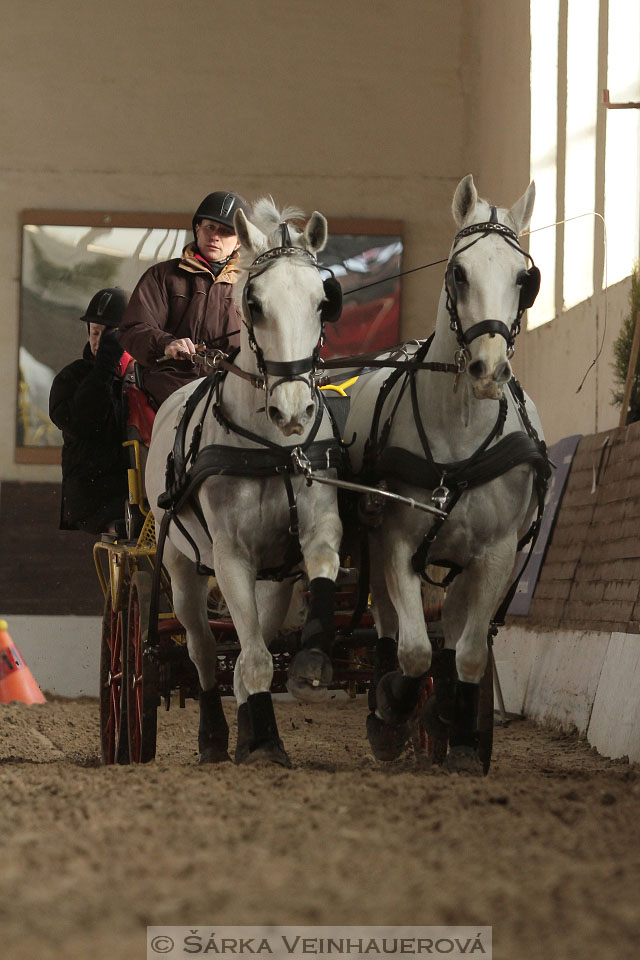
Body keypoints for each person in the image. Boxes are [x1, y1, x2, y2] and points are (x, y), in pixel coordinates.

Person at [118, 190, 249, 409]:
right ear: (197, 228)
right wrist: (166, 344)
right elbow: (133, 327)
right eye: (210, 227)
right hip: (171, 386)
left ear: (238, 243)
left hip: (234, 388)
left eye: (226, 232)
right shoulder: (162, 275)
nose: (215, 236)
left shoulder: (251, 287)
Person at [49, 287, 133, 534]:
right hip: (95, 498)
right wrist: (105, 367)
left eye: (109, 335)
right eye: (95, 333)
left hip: (140, 491)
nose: (99, 342)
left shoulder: (142, 378)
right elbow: (85, 423)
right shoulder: (71, 377)